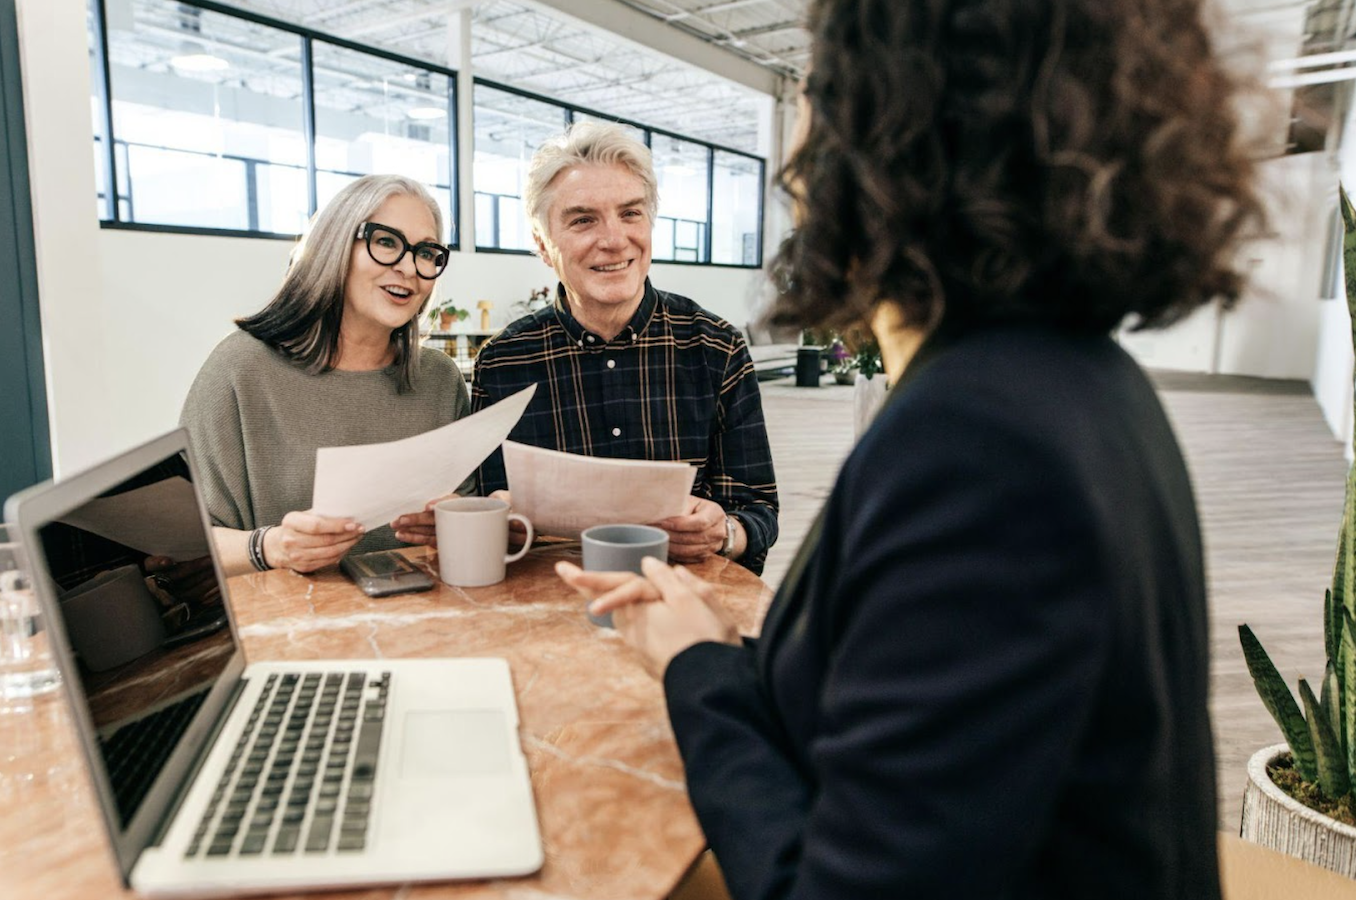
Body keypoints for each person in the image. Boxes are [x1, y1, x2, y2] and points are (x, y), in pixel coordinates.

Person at [558, 1, 1263, 897]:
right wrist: (710, 652)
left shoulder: (980, 445)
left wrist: (698, 670)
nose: (795, 156)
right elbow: (900, 723)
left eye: (816, 91)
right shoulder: (1074, 379)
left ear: (886, 129)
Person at [471, 122, 779, 573]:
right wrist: (498, 521)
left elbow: (758, 511)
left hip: (686, 609)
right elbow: (487, 516)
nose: (614, 240)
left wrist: (725, 533)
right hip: (552, 613)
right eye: (583, 220)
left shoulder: (716, 347)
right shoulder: (504, 363)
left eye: (630, 213)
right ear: (542, 244)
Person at [181, 174, 467, 576]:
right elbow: (180, 550)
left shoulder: (439, 380)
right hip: (288, 628)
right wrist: (272, 547)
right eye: (386, 241)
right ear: (335, 245)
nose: (409, 268)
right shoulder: (241, 369)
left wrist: (454, 525)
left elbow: (468, 508)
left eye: (426, 252)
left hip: (424, 621)